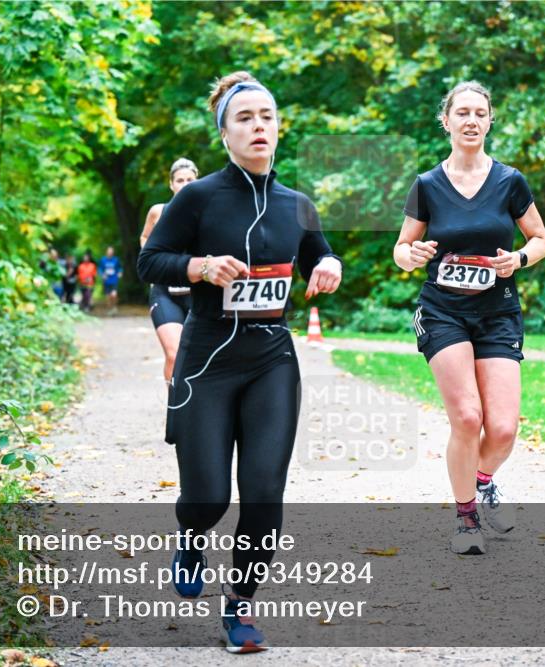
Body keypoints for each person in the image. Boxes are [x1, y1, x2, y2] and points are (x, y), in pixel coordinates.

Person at [138, 71, 342, 653]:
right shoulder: (196, 198)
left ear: (278, 129)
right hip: (207, 359)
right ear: (224, 133)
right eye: (245, 119)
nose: (258, 127)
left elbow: (319, 255)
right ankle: (192, 534)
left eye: (267, 117)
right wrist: (199, 268)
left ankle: (241, 608)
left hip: (271, 360)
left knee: (262, 493)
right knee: (208, 498)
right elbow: (151, 262)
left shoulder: (296, 204)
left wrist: (329, 268)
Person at [393, 81, 545, 555]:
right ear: (447, 121)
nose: (471, 121)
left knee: (502, 429)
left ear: (489, 121)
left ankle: (482, 483)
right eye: (461, 112)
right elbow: (401, 251)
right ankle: (465, 520)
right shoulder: (427, 184)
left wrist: (518, 260)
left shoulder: (509, 181)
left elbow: (540, 239)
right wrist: (413, 253)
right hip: (444, 311)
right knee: (467, 417)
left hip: (497, 312)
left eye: (479, 113)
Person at [140, 158, 199, 383]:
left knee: (199, 357)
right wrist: (152, 259)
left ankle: (196, 409)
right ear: (171, 184)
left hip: (198, 293)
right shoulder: (158, 212)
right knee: (174, 355)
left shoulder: (206, 212)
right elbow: (145, 236)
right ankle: (175, 410)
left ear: (197, 182)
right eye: (180, 180)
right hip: (165, 293)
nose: (184, 184)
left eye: (190, 180)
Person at [98, 246, 123, 315]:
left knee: (114, 295)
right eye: (109, 251)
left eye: (111, 251)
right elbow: (100, 269)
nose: (110, 252)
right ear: (106, 252)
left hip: (114, 280)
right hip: (106, 281)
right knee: (108, 297)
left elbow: (120, 268)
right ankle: (109, 309)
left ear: (113, 252)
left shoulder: (116, 259)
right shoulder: (103, 260)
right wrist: (102, 275)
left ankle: (114, 307)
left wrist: (120, 273)